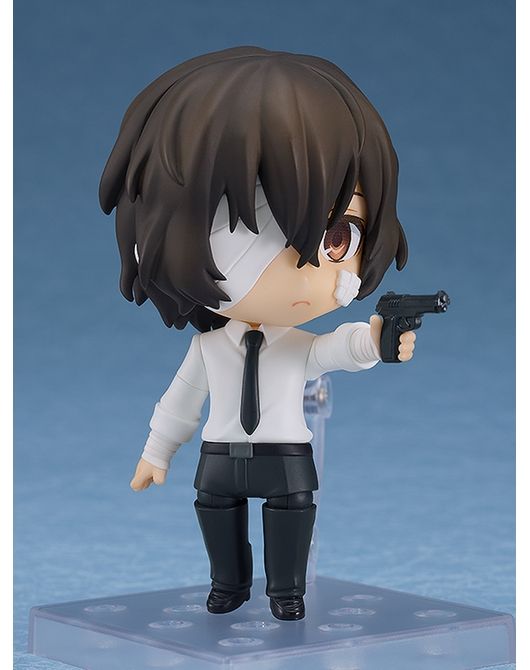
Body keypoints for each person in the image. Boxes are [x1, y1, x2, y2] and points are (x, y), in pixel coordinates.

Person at [99, 46, 415, 621]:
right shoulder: (208, 347)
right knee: (214, 511)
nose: (305, 268)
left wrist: (376, 342)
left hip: (286, 451)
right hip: (219, 452)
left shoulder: (295, 347)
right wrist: (156, 453)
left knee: (292, 514)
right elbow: (180, 401)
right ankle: (229, 584)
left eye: (338, 237)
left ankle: (286, 592)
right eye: (248, 234)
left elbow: (334, 350)